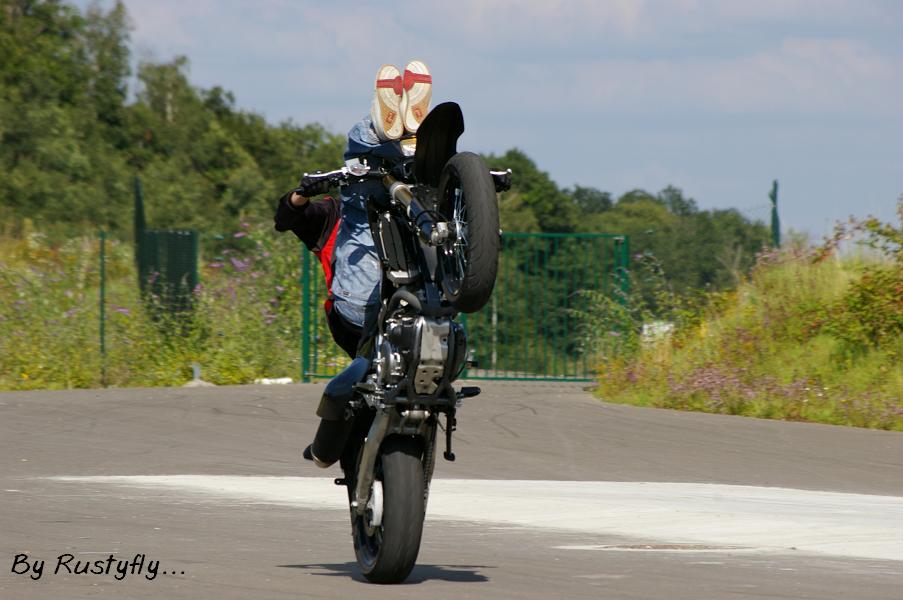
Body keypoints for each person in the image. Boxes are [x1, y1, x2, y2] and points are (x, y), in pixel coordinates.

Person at [273, 61, 432, 466]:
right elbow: (287, 217)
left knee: (384, 199)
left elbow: (283, 219)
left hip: (370, 315)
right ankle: (411, 137)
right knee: (414, 204)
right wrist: (300, 194)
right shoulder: (328, 216)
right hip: (380, 310)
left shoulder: (339, 212)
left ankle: (389, 131)